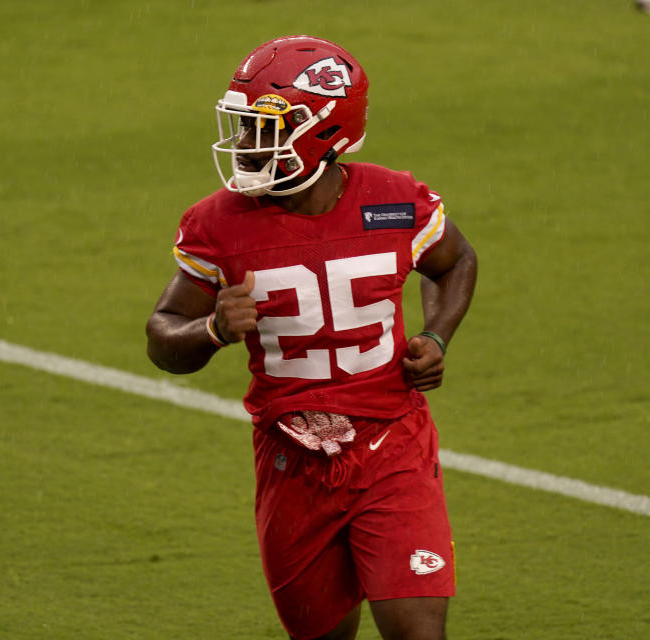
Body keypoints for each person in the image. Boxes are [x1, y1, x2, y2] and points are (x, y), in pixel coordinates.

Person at [146, 35, 477, 640]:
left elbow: (453, 261)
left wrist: (437, 335)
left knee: (417, 633)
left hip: (391, 447)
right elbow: (162, 338)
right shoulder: (216, 224)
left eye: (263, 129)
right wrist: (214, 328)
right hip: (291, 462)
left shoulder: (394, 200)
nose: (246, 145)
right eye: (244, 127)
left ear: (323, 131)